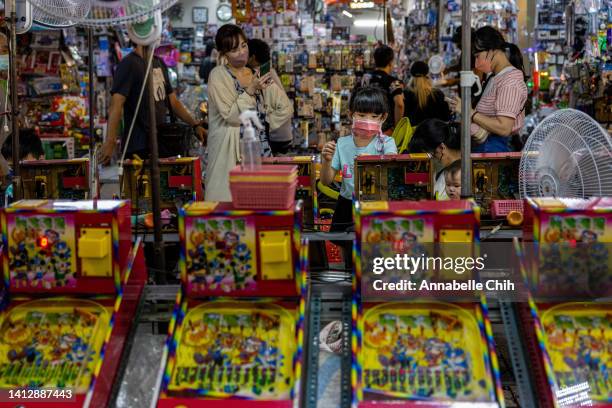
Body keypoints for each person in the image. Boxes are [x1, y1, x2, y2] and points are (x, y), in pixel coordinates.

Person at [99, 43, 206, 164]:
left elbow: (173, 102)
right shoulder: (128, 64)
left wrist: (195, 125)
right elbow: (116, 105)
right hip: (138, 146)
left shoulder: (158, 62)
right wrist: (110, 141)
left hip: (160, 142)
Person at [206, 24, 274, 201]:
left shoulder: (253, 73)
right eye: (235, 49)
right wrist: (251, 89)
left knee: (260, 207)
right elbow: (231, 116)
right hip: (230, 153)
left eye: (244, 45)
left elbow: (269, 111)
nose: (242, 52)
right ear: (223, 53)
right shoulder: (218, 75)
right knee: (230, 207)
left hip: (257, 148)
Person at [320, 87, 398, 232]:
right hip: (346, 203)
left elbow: (392, 172)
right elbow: (326, 181)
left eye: (374, 117)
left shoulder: (387, 143)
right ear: (351, 115)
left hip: (376, 204)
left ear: (383, 117)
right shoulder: (342, 143)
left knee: (371, 246)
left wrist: (371, 162)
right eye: (361, 115)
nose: (367, 121)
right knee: (344, 244)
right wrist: (326, 160)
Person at [448, 26, 528, 153]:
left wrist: (469, 112)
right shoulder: (494, 76)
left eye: (477, 56)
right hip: (485, 145)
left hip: (495, 148)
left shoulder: (510, 82)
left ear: (492, 50)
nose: (476, 64)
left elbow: (504, 128)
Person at [247, 38, 294, 155]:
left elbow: (286, 107)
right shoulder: (267, 70)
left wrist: (266, 122)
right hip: (281, 132)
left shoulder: (262, 74)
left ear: (252, 57)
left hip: (276, 136)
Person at [408, 119, 461, 200]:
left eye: (428, 156)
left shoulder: (465, 175)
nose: (426, 162)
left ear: (441, 148)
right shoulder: (441, 172)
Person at [361, 44, 404, 133]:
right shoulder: (393, 82)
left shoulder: (366, 79)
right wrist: (397, 129)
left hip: (366, 128)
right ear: (390, 62)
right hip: (385, 130)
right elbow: (399, 104)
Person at [403, 61, 451, 126]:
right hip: (435, 134)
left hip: (412, 135)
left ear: (411, 74)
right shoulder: (437, 94)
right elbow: (446, 118)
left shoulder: (405, 94)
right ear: (427, 74)